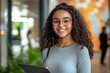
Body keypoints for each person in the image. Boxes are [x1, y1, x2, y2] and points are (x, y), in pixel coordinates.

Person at [40, 3, 94, 73]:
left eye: (66, 21)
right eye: (56, 21)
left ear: (73, 23)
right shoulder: (46, 51)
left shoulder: (81, 51)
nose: (61, 25)